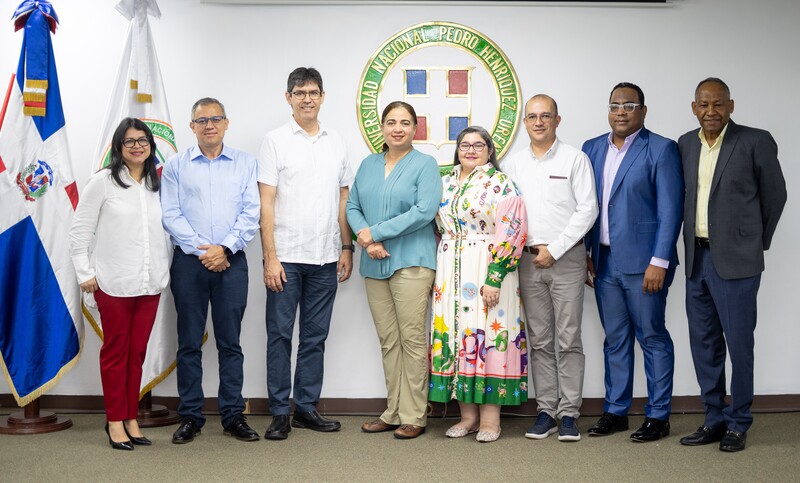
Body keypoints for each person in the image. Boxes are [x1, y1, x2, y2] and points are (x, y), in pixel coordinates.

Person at [678, 78, 786, 452]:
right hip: (697, 259)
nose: (711, 112)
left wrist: (754, 243)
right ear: (694, 108)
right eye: (704, 105)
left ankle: (739, 422)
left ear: (731, 106)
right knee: (704, 344)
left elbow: (775, 196)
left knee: (739, 345)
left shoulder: (755, 140)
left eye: (719, 104)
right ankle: (713, 419)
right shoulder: (685, 144)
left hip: (738, 263)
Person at [582, 83, 684, 442]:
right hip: (604, 262)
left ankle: (658, 416)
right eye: (614, 105)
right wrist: (586, 254)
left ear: (643, 110)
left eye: (629, 105)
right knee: (615, 339)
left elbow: (671, 210)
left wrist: (661, 260)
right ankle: (616, 410)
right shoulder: (592, 148)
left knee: (653, 337)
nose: (621, 112)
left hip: (645, 263)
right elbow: (586, 205)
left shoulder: (661, 149)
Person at [258, 67, 353, 441]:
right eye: (299, 93)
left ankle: (306, 408)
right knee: (280, 335)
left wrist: (346, 247)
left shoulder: (337, 141)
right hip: (286, 258)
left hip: (326, 257)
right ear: (288, 98)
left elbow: (344, 198)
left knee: (315, 337)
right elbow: (266, 202)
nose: (307, 98)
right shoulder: (275, 140)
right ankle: (280, 411)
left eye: (313, 92)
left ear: (323, 96)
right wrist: (270, 257)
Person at [161, 97, 260, 444]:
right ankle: (190, 415)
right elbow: (170, 214)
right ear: (192, 127)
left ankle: (233, 415)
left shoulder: (246, 163)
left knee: (229, 343)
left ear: (226, 123)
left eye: (216, 118)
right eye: (202, 120)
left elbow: (251, 213)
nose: (209, 125)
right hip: (190, 263)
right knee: (188, 342)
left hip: (232, 261)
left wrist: (225, 248)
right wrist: (204, 250)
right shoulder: (175, 165)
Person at [70, 118, 171, 450]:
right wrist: (85, 273)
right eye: (130, 142)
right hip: (113, 282)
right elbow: (80, 232)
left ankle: (131, 417)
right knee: (116, 352)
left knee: (137, 352)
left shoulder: (159, 184)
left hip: (150, 282)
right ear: (118, 148)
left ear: (151, 146)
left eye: (143, 140)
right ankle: (114, 420)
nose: (138, 146)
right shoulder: (102, 183)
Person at [502, 94, 598, 442]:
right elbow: (508, 214)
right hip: (527, 261)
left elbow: (588, 209)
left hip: (567, 258)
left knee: (568, 337)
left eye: (546, 116)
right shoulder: (513, 165)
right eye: (532, 117)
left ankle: (569, 413)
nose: (539, 122)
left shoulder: (575, 159)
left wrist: (555, 250)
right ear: (524, 123)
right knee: (540, 339)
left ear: (558, 120)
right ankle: (546, 411)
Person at [346, 101, 442, 440]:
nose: (397, 128)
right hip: (375, 262)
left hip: (412, 262)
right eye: (391, 122)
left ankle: (415, 414)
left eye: (404, 122)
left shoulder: (425, 165)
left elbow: (425, 211)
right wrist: (367, 239)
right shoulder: (368, 164)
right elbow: (352, 206)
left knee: (412, 340)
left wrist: (377, 232)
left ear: (415, 128)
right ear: (382, 128)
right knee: (389, 342)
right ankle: (394, 411)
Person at [428, 126, 528, 443]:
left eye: (478, 145)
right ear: (457, 149)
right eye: (464, 144)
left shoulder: (500, 183)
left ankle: (490, 419)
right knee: (457, 334)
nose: (471, 150)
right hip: (450, 269)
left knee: (488, 333)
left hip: (487, 266)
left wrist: (495, 275)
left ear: (489, 150)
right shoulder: (443, 183)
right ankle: (467, 416)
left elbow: (513, 229)